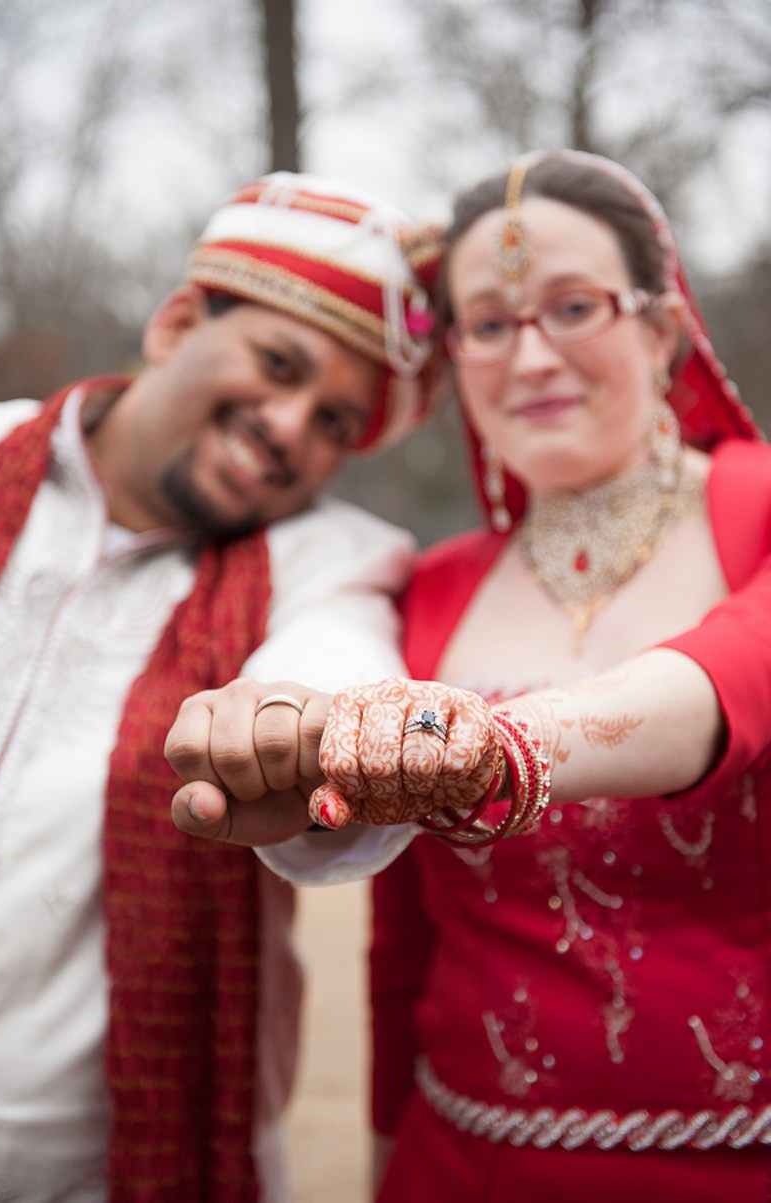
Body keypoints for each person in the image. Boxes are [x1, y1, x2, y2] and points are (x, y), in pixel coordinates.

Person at [167, 152, 771, 1202]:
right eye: (488, 325)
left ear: (663, 329)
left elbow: (736, 677)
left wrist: (501, 750)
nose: (529, 357)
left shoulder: (757, 517)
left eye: (570, 307)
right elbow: (400, 945)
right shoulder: (426, 588)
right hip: (459, 1164)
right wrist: (379, 1154)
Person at [0, 171, 443, 1202]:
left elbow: (337, 675)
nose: (289, 429)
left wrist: (297, 730)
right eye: (278, 366)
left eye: (332, 423)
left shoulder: (328, 556)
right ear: (177, 320)